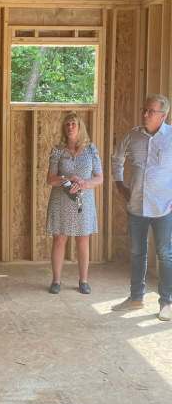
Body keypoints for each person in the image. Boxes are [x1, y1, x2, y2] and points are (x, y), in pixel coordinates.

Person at [110, 94, 172, 319]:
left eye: (150, 111)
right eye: (144, 110)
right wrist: (119, 184)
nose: (145, 114)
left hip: (164, 208)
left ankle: (167, 302)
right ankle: (136, 298)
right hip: (136, 206)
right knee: (137, 253)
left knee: (165, 254)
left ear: (163, 116)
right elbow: (117, 159)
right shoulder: (133, 135)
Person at [45, 113, 103, 294]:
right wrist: (67, 178)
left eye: (73, 124)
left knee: (83, 239)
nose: (70, 126)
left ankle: (83, 281)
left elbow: (99, 177)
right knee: (59, 239)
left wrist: (85, 184)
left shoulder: (91, 149)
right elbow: (50, 179)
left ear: (80, 127)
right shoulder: (58, 150)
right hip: (61, 199)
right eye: (67, 124)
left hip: (83, 200)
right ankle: (56, 281)